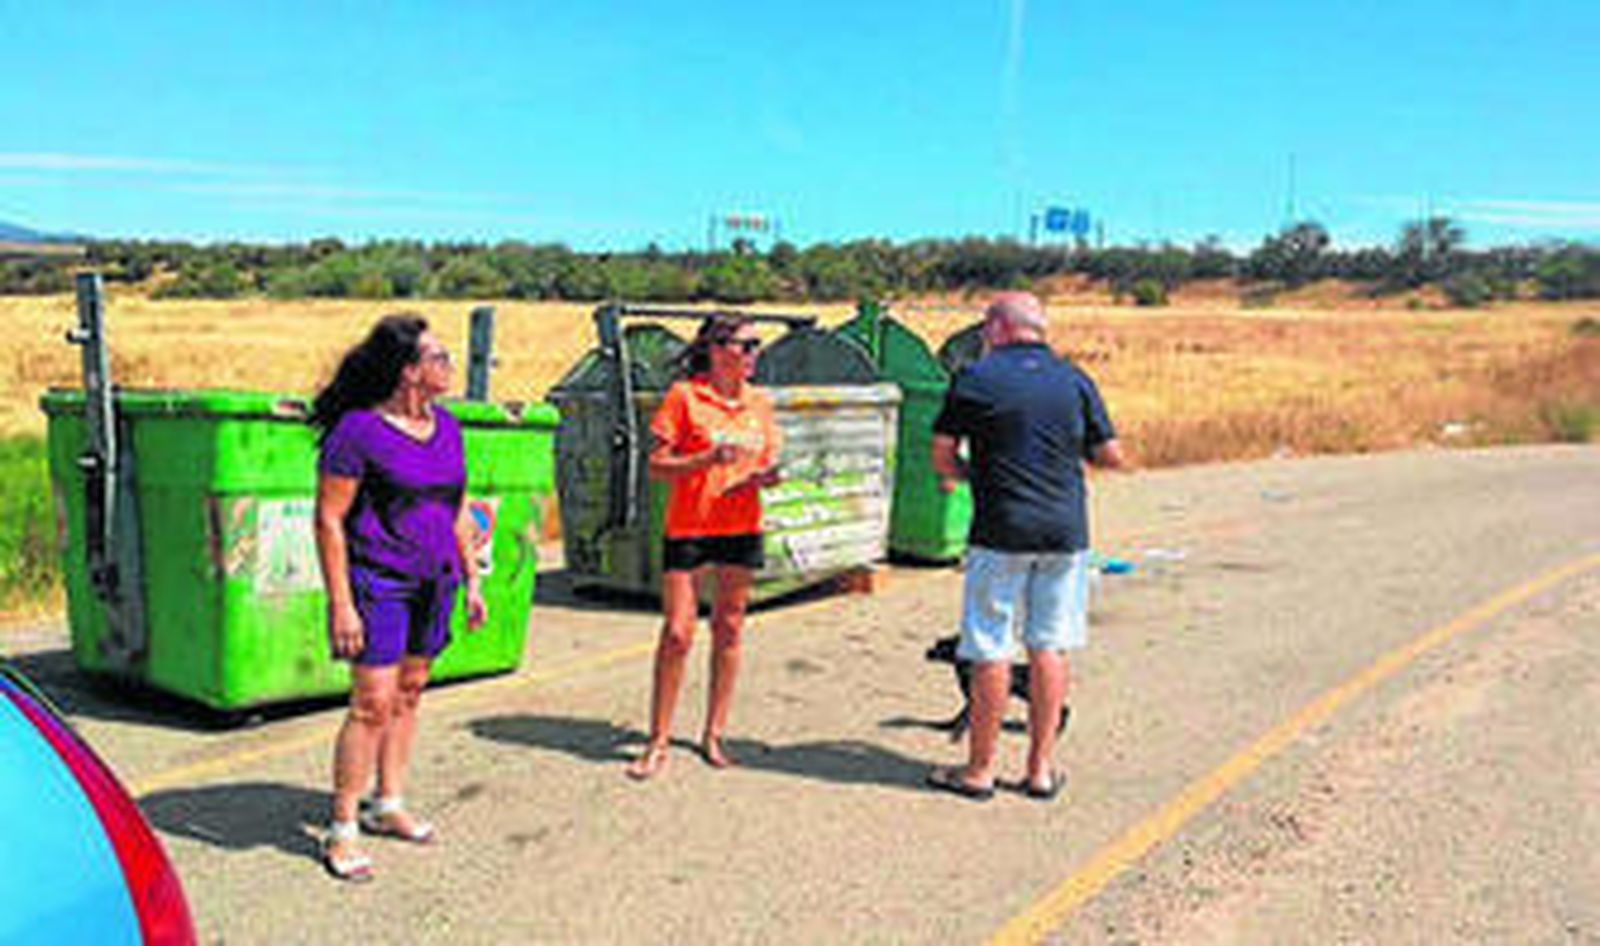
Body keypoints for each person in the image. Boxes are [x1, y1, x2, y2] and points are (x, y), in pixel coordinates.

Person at [925, 292, 1127, 802]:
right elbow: (1110, 455)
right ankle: (1039, 770)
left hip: (1000, 528)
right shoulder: (1076, 379)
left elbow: (942, 457)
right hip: (1064, 531)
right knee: (1049, 644)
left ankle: (979, 771)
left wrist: (978, 476)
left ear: (997, 327)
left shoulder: (975, 378)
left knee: (990, 645)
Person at [310, 314, 487, 880]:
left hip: (437, 581)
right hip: (379, 582)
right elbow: (329, 520)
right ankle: (342, 826)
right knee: (371, 703)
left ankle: (388, 803)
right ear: (409, 371)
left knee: (410, 692)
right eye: (439, 358)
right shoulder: (358, 431)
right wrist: (341, 601)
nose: (449, 366)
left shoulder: (449, 427)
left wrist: (472, 577)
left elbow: (456, 507)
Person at [625, 312, 782, 780]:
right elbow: (655, 465)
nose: (753, 354)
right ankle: (658, 739)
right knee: (678, 632)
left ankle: (714, 733)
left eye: (756, 346)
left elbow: (768, 458)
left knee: (730, 628)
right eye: (745, 345)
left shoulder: (760, 403)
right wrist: (705, 459)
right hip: (690, 527)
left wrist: (766, 477)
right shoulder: (685, 397)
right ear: (716, 350)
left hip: (742, 523)